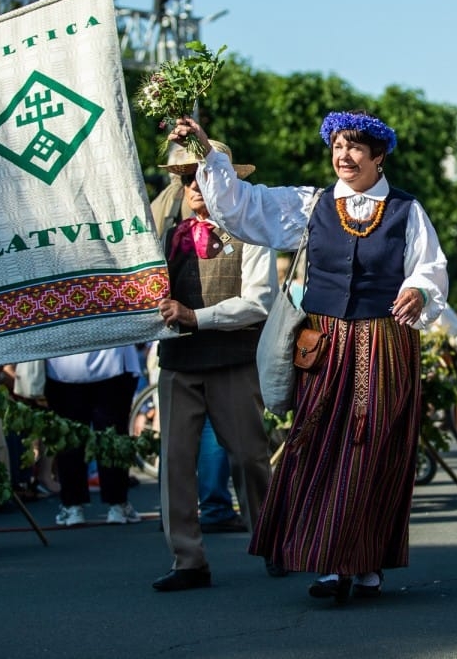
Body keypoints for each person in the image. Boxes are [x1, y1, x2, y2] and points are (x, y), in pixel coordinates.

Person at [170, 110, 448, 604]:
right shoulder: (311, 205)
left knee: (372, 451)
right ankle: (332, 562)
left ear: (379, 157)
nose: (344, 156)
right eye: (338, 146)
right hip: (325, 345)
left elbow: (429, 269)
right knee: (319, 446)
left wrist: (420, 294)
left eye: (356, 147)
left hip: (385, 346)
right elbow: (244, 207)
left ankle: (364, 564)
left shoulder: (408, 211)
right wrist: (207, 153)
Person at [149, 140, 279, 592]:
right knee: (176, 464)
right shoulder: (165, 236)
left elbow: (259, 302)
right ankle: (187, 559)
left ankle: (270, 541)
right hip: (179, 361)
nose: (193, 185)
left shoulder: (253, 233)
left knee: (249, 457)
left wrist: (195, 317)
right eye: (186, 178)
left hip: (232, 361)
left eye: (201, 173)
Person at [44, 347, 142, 527]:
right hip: (110, 361)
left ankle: (73, 505)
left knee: (70, 438)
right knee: (112, 436)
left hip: (63, 363)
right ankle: (117, 504)